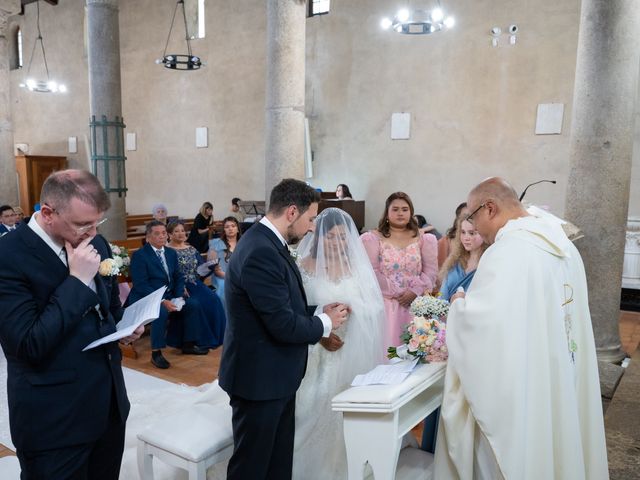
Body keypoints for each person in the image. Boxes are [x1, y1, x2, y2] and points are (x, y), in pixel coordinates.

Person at [434, 177, 608, 479]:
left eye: (473, 219)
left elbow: (483, 331)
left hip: (524, 393)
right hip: (558, 374)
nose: (477, 231)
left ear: (490, 208)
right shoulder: (562, 245)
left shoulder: (508, 253)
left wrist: (460, 305)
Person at [0, 169, 143, 479]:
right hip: (53, 421)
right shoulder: (8, 256)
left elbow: (107, 309)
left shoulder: (97, 243)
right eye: (82, 224)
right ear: (48, 213)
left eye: (97, 222)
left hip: (108, 408)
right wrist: (77, 280)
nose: (92, 233)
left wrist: (124, 328)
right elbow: (27, 344)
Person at [219, 178, 349, 480]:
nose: (312, 226)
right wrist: (326, 324)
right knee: (252, 466)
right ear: (292, 212)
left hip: (274, 376)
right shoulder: (260, 251)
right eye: (311, 218)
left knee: (277, 462)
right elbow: (282, 325)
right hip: (258, 380)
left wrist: (318, 311)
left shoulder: (266, 242)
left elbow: (279, 305)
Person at [293, 208, 385, 479]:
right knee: (312, 406)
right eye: (331, 238)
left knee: (347, 408)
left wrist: (355, 309)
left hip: (349, 348)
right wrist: (321, 329)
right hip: (316, 348)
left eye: (343, 238)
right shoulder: (304, 266)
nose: (338, 243)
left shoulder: (356, 266)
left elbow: (374, 307)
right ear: (319, 238)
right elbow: (296, 309)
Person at [127, 221, 209, 369]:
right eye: (157, 234)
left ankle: (188, 344)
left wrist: (178, 296)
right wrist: (162, 300)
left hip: (170, 294)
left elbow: (178, 276)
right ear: (148, 237)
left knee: (193, 304)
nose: (162, 236)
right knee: (161, 311)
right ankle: (156, 353)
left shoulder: (170, 252)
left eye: (164, 233)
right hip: (147, 297)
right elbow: (141, 285)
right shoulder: (140, 255)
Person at [361, 192, 438, 348]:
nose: (400, 213)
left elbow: (431, 270)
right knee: (388, 352)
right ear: (387, 213)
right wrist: (398, 293)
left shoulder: (423, 238)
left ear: (411, 212)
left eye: (405, 209)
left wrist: (414, 291)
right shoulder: (372, 238)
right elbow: (371, 272)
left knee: (416, 351)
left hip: (416, 304)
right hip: (387, 305)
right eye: (395, 209)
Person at [167, 221, 226, 348]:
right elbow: (168, 273)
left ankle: (218, 336)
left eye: (182, 230)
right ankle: (199, 339)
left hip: (195, 283)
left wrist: (210, 266)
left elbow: (200, 269)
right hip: (180, 286)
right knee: (198, 304)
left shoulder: (192, 249)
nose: (181, 233)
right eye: (176, 231)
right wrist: (179, 287)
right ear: (170, 234)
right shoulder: (167, 251)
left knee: (214, 300)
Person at [438, 218, 488, 301]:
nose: (466, 238)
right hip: (448, 312)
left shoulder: (488, 262)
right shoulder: (454, 261)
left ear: (484, 234)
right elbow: (442, 294)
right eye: (463, 232)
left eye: (472, 233)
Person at [208, 216, 242, 308]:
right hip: (223, 278)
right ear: (224, 230)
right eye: (227, 227)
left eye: (233, 226)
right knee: (225, 288)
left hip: (241, 277)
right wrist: (233, 278)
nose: (230, 228)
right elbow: (217, 271)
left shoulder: (244, 244)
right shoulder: (216, 245)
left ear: (238, 229)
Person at [437, 202, 468, 268]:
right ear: (457, 219)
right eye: (465, 216)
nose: (468, 220)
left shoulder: (482, 241)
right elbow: (440, 269)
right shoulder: (445, 242)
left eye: (472, 216)